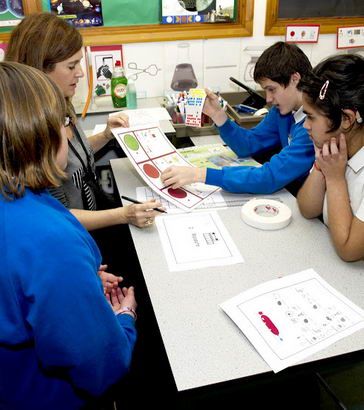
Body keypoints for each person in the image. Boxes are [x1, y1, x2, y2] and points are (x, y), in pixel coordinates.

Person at [0, 61, 137, 409]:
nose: (70, 128)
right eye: (64, 121)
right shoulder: (49, 241)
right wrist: (124, 321)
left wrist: (79, 286)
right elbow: (100, 364)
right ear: (36, 135)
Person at [5, 12, 162, 232]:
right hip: (74, 230)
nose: (80, 73)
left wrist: (106, 135)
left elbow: (73, 154)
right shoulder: (31, 129)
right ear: (40, 69)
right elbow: (54, 217)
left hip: (93, 213)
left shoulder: (61, 101)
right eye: (71, 66)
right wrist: (125, 214)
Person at [161, 42, 315, 196]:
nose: (268, 98)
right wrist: (218, 115)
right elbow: (248, 145)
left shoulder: (314, 126)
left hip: (301, 200)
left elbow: (268, 178)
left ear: (295, 79)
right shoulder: (283, 110)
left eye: (272, 89)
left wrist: (199, 175)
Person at [297, 54, 364, 262]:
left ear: (346, 119)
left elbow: (349, 250)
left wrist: (335, 179)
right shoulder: (333, 149)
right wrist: (321, 167)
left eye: (311, 117)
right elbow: (308, 208)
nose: (305, 125)